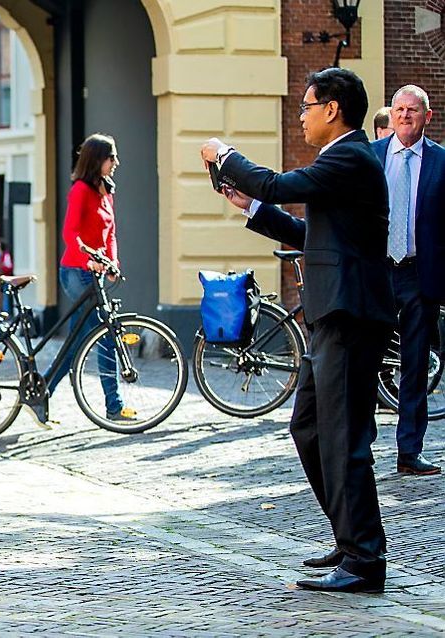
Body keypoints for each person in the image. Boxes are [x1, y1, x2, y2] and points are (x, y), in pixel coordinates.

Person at [201, 67, 393, 593]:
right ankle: (348, 536)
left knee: (343, 436)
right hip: (333, 315)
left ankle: (363, 561)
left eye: (307, 107)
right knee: (309, 429)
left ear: (332, 109)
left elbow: (278, 183)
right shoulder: (343, 161)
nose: (302, 116)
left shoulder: (351, 155)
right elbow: (315, 235)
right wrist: (255, 208)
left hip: (350, 317)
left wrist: (225, 156)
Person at [372, 85, 445, 476]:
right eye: (399, 109)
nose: (404, 116)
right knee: (365, 358)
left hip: (419, 274)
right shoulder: (372, 156)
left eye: (412, 110)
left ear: (426, 117)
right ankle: (360, 446)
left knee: (414, 365)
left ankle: (409, 451)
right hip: (376, 271)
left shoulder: (440, 162)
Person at [49, 133, 133, 421]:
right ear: (97, 159)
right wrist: (88, 259)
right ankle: (114, 406)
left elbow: (111, 233)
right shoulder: (80, 190)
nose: (116, 163)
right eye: (112, 157)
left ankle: (42, 392)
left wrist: (112, 262)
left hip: (94, 272)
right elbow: (69, 233)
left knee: (75, 344)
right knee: (106, 336)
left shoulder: (106, 190)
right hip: (75, 271)